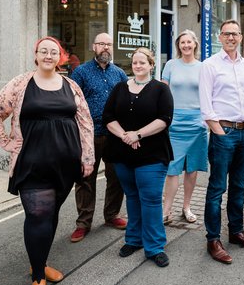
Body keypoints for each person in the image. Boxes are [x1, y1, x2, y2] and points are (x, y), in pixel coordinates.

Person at [0, 37, 94, 285]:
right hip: (32, 163)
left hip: (66, 163)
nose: (48, 55)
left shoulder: (71, 85)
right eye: (43, 51)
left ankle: (41, 263)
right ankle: (37, 278)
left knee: (51, 214)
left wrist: (88, 156)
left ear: (61, 57)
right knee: (38, 215)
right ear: (36, 55)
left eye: (53, 52)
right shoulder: (21, 83)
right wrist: (7, 143)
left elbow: (85, 121)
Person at [102, 47, 174, 268]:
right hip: (122, 153)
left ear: (151, 65)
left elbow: (165, 119)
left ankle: (154, 247)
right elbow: (108, 116)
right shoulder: (120, 88)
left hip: (152, 154)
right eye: (135, 62)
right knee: (132, 197)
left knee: (151, 199)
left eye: (143, 62)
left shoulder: (161, 89)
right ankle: (133, 240)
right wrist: (125, 135)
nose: (138, 66)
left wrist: (138, 134)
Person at [199, 19, 244, 265]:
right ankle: (213, 239)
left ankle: (236, 232)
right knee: (217, 189)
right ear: (220, 36)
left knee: (238, 187)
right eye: (227, 34)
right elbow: (206, 103)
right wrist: (218, 130)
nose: (231, 38)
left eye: (235, 34)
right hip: (223, 132)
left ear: (241, 37)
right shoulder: (210, 65)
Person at [70, 33, 128, 242]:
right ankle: (83, 223)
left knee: (117, 177)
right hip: (88, 136)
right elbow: (72, 103)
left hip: (114, 135)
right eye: (101, 44)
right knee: (85, 179)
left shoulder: (120, 74)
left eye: (108, 44)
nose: (105, 47)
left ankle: (111, 215)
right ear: (94, 46)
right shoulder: (81, 72)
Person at [162, 29, 208, 224]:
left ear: (195, 44)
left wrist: (206, 120)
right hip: (175, 122)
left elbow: (208, 94)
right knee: (172, 168)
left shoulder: (203, 67)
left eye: (189, 42)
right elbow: (163, 93)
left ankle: (187, 207)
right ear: (178, 46)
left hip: (197, 123)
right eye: (182, 43)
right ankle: (166, 209)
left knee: (192, 169)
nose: (186, 45)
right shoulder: (171, 65)